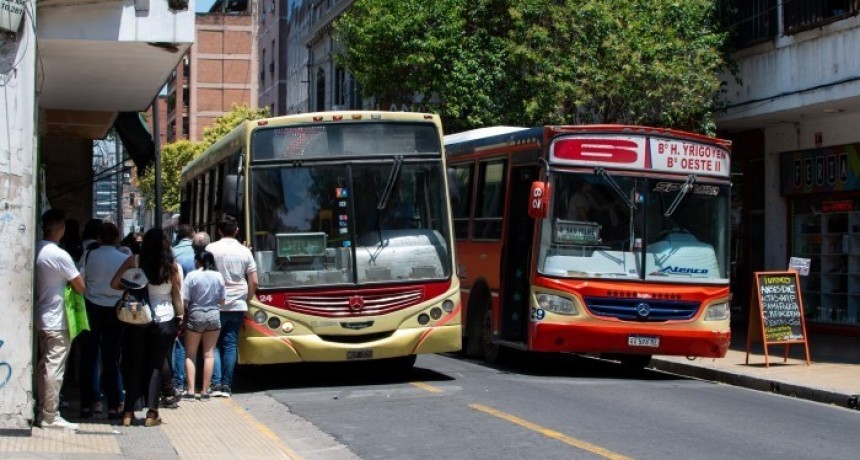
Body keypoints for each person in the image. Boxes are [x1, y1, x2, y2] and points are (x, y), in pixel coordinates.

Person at [114, 229, 183, 427]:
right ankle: (152, 414)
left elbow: (115, 284)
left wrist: (133, 283)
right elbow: (176, 296)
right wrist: (181, 317)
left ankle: (128, 413)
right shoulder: (172, 266)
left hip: (138, 319)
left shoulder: (134, 261)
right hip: (165, 319)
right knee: (156, 366)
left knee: (135, 363)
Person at [34, 209, 86, 430]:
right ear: (60, 229)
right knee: (54, 368)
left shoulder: (36, 249)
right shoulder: (59, 255)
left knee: (43, 366)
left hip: (40, 316)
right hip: (57, 319)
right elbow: (80, 286)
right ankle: (49, 415)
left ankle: (41, 410)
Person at [79, 222, 131, 419]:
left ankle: (88, 403)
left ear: (99, 238)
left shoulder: (89, 255)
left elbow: (81, 280)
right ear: (116, 238)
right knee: (111, 358)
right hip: (116, 311)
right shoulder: (124, 258)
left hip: (91, 308)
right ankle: (115, 403)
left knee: (89, 357)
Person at [207, 217, 257, 398]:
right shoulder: (245, 252)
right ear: (236, 230)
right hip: (238, 303)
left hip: (215, 303)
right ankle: (227, 385)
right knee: (230, 343)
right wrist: (248, 299)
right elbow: (254, 280)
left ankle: (216, 383)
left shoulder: (210, 249)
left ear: (219, 231)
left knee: (213, 345)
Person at [182, 251, 225, 400]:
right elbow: (222, 300)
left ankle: (191, 391)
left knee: (190, 354)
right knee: (209, 354)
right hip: (214, 314)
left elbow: (185, 301)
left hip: (196, 314)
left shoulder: (192, 276)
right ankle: (206, 391)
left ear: (197, 261)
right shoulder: (218, 276)